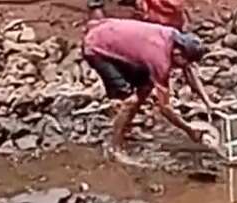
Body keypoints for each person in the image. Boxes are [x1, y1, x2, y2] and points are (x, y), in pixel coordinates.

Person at [83, 17, 212, 157]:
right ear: (178, 53)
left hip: (111, 33)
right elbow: (165, 108)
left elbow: (189, 70)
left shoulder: (172, 36)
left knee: (146, 87)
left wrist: (208, 102)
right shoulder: (160, 61)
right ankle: (114, 147)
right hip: (97, 47)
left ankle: (126, 127)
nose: (181, 68)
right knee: (130, 101)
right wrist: (189, 129)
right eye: (184, 62)